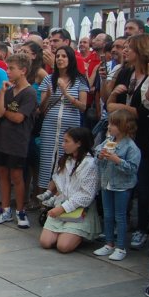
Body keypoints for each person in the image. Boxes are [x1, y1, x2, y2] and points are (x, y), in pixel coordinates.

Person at [106, 34, 149, 249]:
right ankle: (119, 225)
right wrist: (113, 94)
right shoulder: (125, 72)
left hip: (142, 139)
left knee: (142, 186)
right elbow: (109, 105)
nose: (125, 51)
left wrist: (123, 108)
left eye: (129, 48)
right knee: (118, 182)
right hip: (120, 137)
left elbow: (145, 113)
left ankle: (142, 228)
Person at [0, 54, 38, 228]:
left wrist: (4, 113)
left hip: (18, 141)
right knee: (2, 173)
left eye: (11, 69)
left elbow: (18, 117)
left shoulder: (30, 93)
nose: (8, 72)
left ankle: (20, 209)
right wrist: (2, 93)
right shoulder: (8, 91)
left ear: (23, 71)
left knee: (16, 176)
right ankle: (5, 209)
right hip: (2, 139)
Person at [39, 127, 101, 253]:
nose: (63, 145)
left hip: (80, 209)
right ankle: (63, 232)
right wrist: (52, 200)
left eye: (67, 141)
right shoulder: (66, 160)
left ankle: (77, 234)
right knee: (45, 242)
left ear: (78, 143)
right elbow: (60, 185)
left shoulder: (89, 164)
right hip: (61, 206)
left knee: (63, 246)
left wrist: (62, 208)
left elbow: (86, 196)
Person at [37, 46, 89, 190]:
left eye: (64, 56)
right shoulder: (48, 79)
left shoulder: (79, 80)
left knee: (66, 158)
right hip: (50, 124)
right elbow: (41, 109)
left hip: (70, 125)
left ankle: (62, 192)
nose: (60, 59)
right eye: (58, 56)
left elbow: (83, 106)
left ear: (71, 59)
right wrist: (47, 96)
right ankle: (45, 193)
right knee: (47, 159)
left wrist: (66, 94)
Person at [92, 110, 141, 261]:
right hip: (107, 184)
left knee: (120, 216)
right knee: (108, 215)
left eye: (114, 124)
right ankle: (109, 243)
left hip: (121, 186)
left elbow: (132, 168)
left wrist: (116, 159)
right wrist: (100, 155)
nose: (109, 127)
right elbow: (96, 154)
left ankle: (120, 247)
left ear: (124, 127)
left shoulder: (131, 147)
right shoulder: (108, 141)